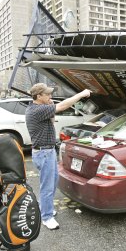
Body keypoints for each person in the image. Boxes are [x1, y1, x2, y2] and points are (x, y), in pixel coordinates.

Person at [26, 83, 91, 230]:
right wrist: (81, 94)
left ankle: (46, 208)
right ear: (38, 96)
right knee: (47, 186)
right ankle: (46, 217)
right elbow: (62, 106)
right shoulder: (37, 110)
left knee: (52, 182)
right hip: (43, 153)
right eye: (47, 94)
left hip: (47, 152)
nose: (50, 96)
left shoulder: (39, 109)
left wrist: (50, 105)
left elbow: (52, 120)